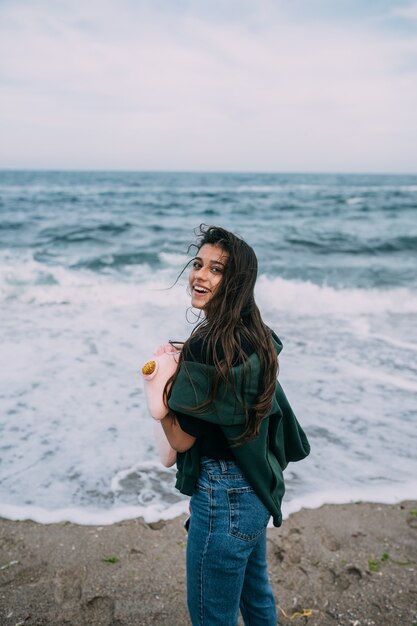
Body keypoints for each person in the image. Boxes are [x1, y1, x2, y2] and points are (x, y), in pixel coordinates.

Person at [160, 225, 310, 626]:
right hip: (254, 488)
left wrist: (160, 395)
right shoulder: (256, 336)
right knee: (256, 596)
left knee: (211, 615)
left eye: (216, 270)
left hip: (221, 498)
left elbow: (181, 440)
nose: (200, 276)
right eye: (198, 264)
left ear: (236, 282)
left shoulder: (206, 346)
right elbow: (230, 388)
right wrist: (190, 365)